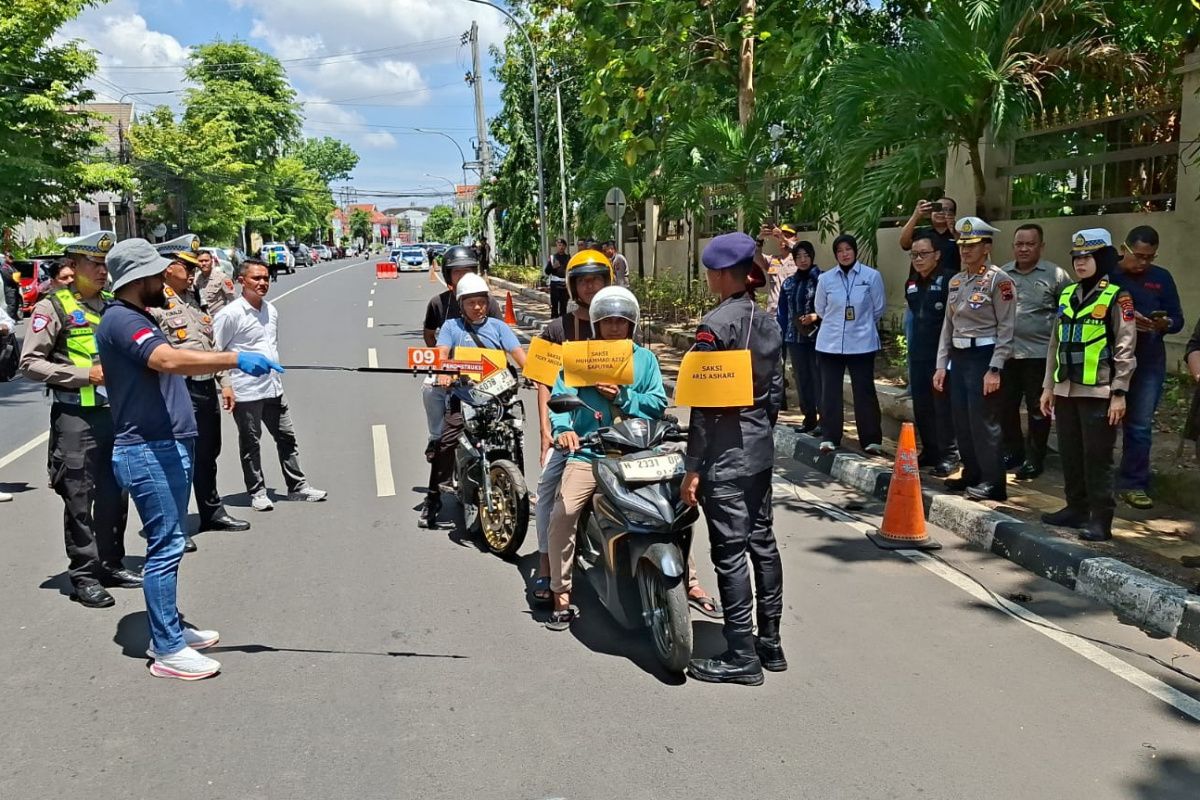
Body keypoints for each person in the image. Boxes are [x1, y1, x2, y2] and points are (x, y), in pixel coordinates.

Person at [96, 237, 283, 680]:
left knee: (171, 544)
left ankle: (172, 625)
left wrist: (224, 366)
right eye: (158, 272)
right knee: (165, 549)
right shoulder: (123, 319)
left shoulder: (139, 315)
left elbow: (180, 356)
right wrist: (235, 358)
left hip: (165, 444)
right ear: (137, 277)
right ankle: (167, 649)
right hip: (148, 449)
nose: (167, 277)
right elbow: (166, 360)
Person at [680, 232, 784, 687]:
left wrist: (693, 466)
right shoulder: (766, 321)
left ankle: (741, 654)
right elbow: (776, 393)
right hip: (759, 448)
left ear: (723, 274)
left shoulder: (715, 325)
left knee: (729, 553)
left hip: (724, 454)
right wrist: (760, 433)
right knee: (762, 540)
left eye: (710, 272)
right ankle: (771, 643)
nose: (708, 278)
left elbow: (704, 407)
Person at [19, 231, 138, 609]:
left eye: (106, 265)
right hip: (76, 418)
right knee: (79, 497)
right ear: (73, 266)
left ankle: (111, 563)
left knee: (115, 493)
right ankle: (84, 574)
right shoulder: (53, 308)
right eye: (96, 265)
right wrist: (86, 375)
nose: (103, 272)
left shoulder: (112, 307)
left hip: (114, 414)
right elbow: (30, 363)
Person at [544, 286, 668, 630]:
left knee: (671, 507)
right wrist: (564, 429)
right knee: (564, 510)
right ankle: (561, 593)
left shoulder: (645, 359)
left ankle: (689, 582)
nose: (615, 327)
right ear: (596, 324)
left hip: (636, 451)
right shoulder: (579, 357)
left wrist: (626, 397)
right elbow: (560, 399)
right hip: (588, 453)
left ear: (632, 324)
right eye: (608, 321)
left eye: (622, 321)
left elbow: (658, 404)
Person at [152, 235, 250, 551]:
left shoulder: (194, 298)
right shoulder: (155, 302)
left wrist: (225, 382)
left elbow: (211, 346)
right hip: (178, 390)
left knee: (209, 454)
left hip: (205, 387)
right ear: (169, 267)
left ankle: (210, 511)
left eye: (196, 265)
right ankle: (177, 524)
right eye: (188, 266)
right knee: (181, 459)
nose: (194, 271)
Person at [1039, 229, 1136, 542]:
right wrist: (1047, 387)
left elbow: (1125, 346)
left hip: (1100, 391)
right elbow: (1055, 344)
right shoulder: (1068, 294)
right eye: (1076, 257)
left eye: (1087, 257)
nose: (1080, 263)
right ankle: (1075, 508)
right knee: (1070, 452)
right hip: (1066, 388)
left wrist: (1119, 392)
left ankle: (1100, 518)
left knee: (1098, 457)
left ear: (1102, 258)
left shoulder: (1118, 296)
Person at [213, 260, 327, 512]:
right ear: (242, 281)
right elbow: (216, 353)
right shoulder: (229, 315)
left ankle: (297, 487)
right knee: (251, 444)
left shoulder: (271, 310)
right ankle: (258, 491)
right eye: (256, 278)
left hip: (273, 388)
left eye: (266, 278)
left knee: (287, 438)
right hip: (246, 391)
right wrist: (226, 386)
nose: (263, 283)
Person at [529, 248, 611, 602]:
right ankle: (547, 569)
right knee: (548, 491)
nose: (591, 287)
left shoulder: (619, 319)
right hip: (571, 431)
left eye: (597, 280)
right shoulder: (557, 328)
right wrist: (548, 431)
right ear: (573, 286)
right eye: (584, 281)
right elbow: (543, 382)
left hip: (616, 431)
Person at [419, 273, 527, 527]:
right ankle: (434, 497)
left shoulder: (499, 327)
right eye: (471, 303)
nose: (478, 307)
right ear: (461, 304)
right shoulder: (451, 328)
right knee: (445, 442)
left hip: (497, 397)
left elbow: (519, 355)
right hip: (464, 397)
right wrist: (444, 373)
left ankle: (519, 491)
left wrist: (536, 375)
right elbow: (442, 353)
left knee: (514, 438)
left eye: (482, 301)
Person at [934, 217, 1017, 502]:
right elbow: (948, 325)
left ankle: (994, 482)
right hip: (959, 356)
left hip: (985, 356)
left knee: (984, 421)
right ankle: (971, 471)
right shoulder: (957, 281)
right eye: (962, 245)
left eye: (972, 245)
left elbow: (1006, 328)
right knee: (962, 418)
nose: (965, 250)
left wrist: (996, 367)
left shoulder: (999, 281)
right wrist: (941, 365)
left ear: (987, 246)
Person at [1110, 225, 1184, 510]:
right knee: (1102, 421)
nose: (1143, 262)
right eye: (1138, 255)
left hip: (1149, 358)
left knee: (1139, 425)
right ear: (1124, 249)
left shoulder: (1161, 278)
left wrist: (1163, 324)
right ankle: (1100, 482)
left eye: (1149, 257)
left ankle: (1133, 484)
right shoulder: (1109, 274)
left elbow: (1177, 318)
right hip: (1112, 358)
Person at [999, 223, 1071, 480]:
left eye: (1030, 244)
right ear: (1013, 246)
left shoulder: (1057, 276)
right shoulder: (1002, 274)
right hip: (1007, 354)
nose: (1024, 249)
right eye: (1019, 244)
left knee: (1038, 409)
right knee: (1005, 407)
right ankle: (1013, 451)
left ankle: (1035, 457)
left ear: (1041, 246)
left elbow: (1068, 313)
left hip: (1040, 355)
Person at [420, 246, 501, 467]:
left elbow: (501, 339)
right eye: (458, 272)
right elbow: (429, 336)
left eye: (469, 270)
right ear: (448, 275)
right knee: (429, 388)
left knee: (512, 425)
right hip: (450, 370)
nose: (464, 276)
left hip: (485, 369)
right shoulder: (438, 303)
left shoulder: (489, 303)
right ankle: (436, 437)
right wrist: (441, 366)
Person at [813, 233, 886, 455]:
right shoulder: (826, 279)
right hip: (830, 344)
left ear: (855, 251)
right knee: (830, 392)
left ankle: (871, 439)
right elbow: (820, 309)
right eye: (840, 251)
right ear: (835, 254)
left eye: (848, 250)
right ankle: (830, 436)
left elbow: (878, 308)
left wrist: (858, 325)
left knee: (864, 392)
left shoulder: (871, 276)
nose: (844, 254)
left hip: (862, 343)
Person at [905, 231, 958, 477]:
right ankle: (930, 450)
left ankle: (949, 455)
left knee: (942, 406)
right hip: (919, 354)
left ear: (937, 255)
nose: (918, 259)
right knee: (922, 406)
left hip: (942, 356)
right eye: (914, 254)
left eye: (923, 254)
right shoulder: (912, 282)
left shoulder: (949, 281)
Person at [776, 240, 822, 433]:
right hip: (794, 338)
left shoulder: (823, 279)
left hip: (818, 338)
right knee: (802, 379)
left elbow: (831, 307)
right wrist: (781, 334)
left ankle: (825, 419)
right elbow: (782, 312)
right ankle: (808, 418)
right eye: (798, 257)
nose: (803, 260)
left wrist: (816, 317)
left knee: (819, 379)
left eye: (806, 256)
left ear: (812, 257)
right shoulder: (789, 283)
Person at [899, 196, 960, 274]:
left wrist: (954, 233)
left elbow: (966, 252)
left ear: (953, 214)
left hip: (949, 282)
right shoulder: (921, 232)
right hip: (919, 282)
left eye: (946, 209)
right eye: (937, 208)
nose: (941, 212)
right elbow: (904, 244)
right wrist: (916, 215)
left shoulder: (959, 233)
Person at [756, 224, 799, 315]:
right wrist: (760, 239)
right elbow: (755, 256)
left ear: (796, 239)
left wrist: (784, 239)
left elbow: (800, 248)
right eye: (779, 237)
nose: (782, 239)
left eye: (788, 236)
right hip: (773, 313)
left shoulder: (800, 259)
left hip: (793, 313)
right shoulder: (772, 260)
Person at [195, 249, 236, 315]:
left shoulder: (222, 277)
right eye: (201, 261)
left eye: (206, 261)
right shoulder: (195, 278)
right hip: (202, 319)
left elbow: (233, 300)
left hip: (218, 317)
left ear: (212, 261)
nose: (204, 263)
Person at [544, 238, 570, 317]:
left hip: (564, 284)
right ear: (557, 246)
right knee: (554, 304)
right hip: (555, 284)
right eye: (559, 245)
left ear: (565, 247)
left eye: (562, 245)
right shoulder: (553, 258)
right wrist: (552, 267)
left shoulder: (568, 257)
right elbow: (547, 271)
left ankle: (563, 323)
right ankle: (554, 322)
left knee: (563, 305)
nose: (561, 247)